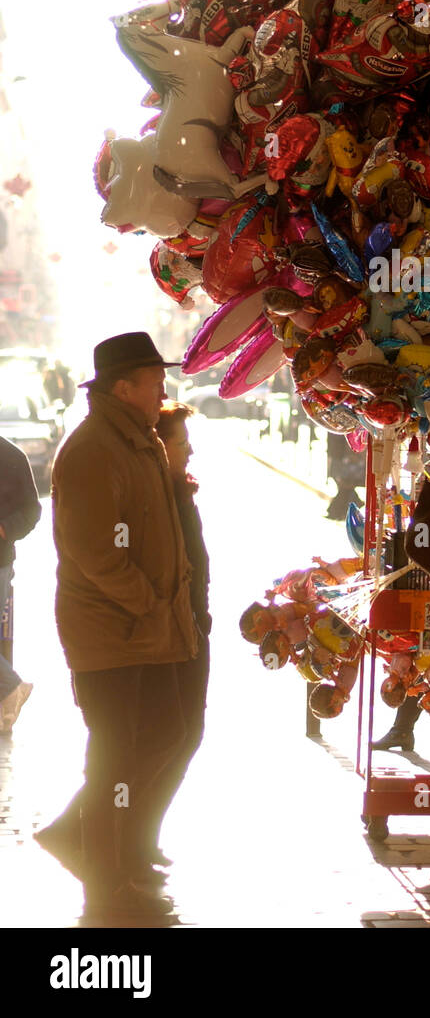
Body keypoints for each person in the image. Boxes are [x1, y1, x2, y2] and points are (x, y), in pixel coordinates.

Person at [40, 332, 197, 925]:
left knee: (165, 733)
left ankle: (91, 844)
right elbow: (97, 552)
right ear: (122, 387)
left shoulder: (138, 441)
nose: (164, 389)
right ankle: (104, 885)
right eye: (155, 381)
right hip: (111, 632)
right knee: (112, 761)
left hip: (147, 627)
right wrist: (150, 604)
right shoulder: (92, 449)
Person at [139, 400, 212, 865]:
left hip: (190, 624)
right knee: (172, 734)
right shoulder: (153, 496)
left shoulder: (177, 491)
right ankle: (130, 833)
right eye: (181, 443)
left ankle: (142, 833)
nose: (189, 452)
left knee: (185, 733)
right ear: (159, 448)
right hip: (169, 630)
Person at [0, 433, 40, 730]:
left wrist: (4, 529)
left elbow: (31, 509)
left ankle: (11, 689)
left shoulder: (11, 456)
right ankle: (11, 691)